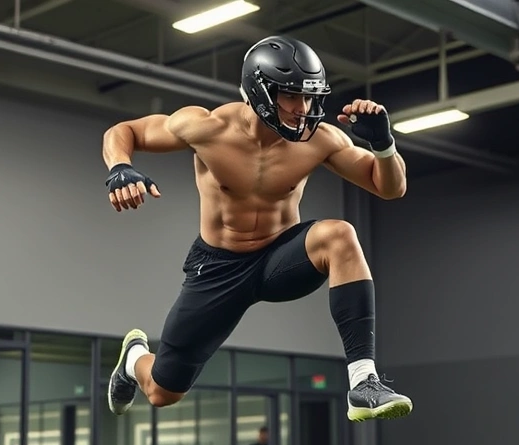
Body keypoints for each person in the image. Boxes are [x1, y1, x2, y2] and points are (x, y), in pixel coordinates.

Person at [101, 35, 412, 423]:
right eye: (291, 96)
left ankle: (364, 382)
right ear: (260, 92)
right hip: (218, 268)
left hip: (279, 259)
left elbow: (390, 188)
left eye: (309, 97)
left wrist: (384, 146)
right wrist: (120, 167)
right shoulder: (207, 127)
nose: (302, 109)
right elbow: (124, 132)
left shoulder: (320, 140)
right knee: (162, 392)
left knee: (339, 235)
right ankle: (134, 360)